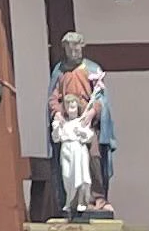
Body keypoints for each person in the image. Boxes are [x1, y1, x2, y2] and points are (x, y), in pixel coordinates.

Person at [48, 34, 114, 216]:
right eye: (70, 49)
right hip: (68, 123)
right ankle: (73, 198)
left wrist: (93, 112)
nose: (73, 52)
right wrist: (58, 113)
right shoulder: (60, 72)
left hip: (87, 121)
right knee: (68, 164)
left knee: (93, 157)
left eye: (76, 48)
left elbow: (100, 98)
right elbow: (54, 97)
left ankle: (97, 197)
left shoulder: (91, 69)